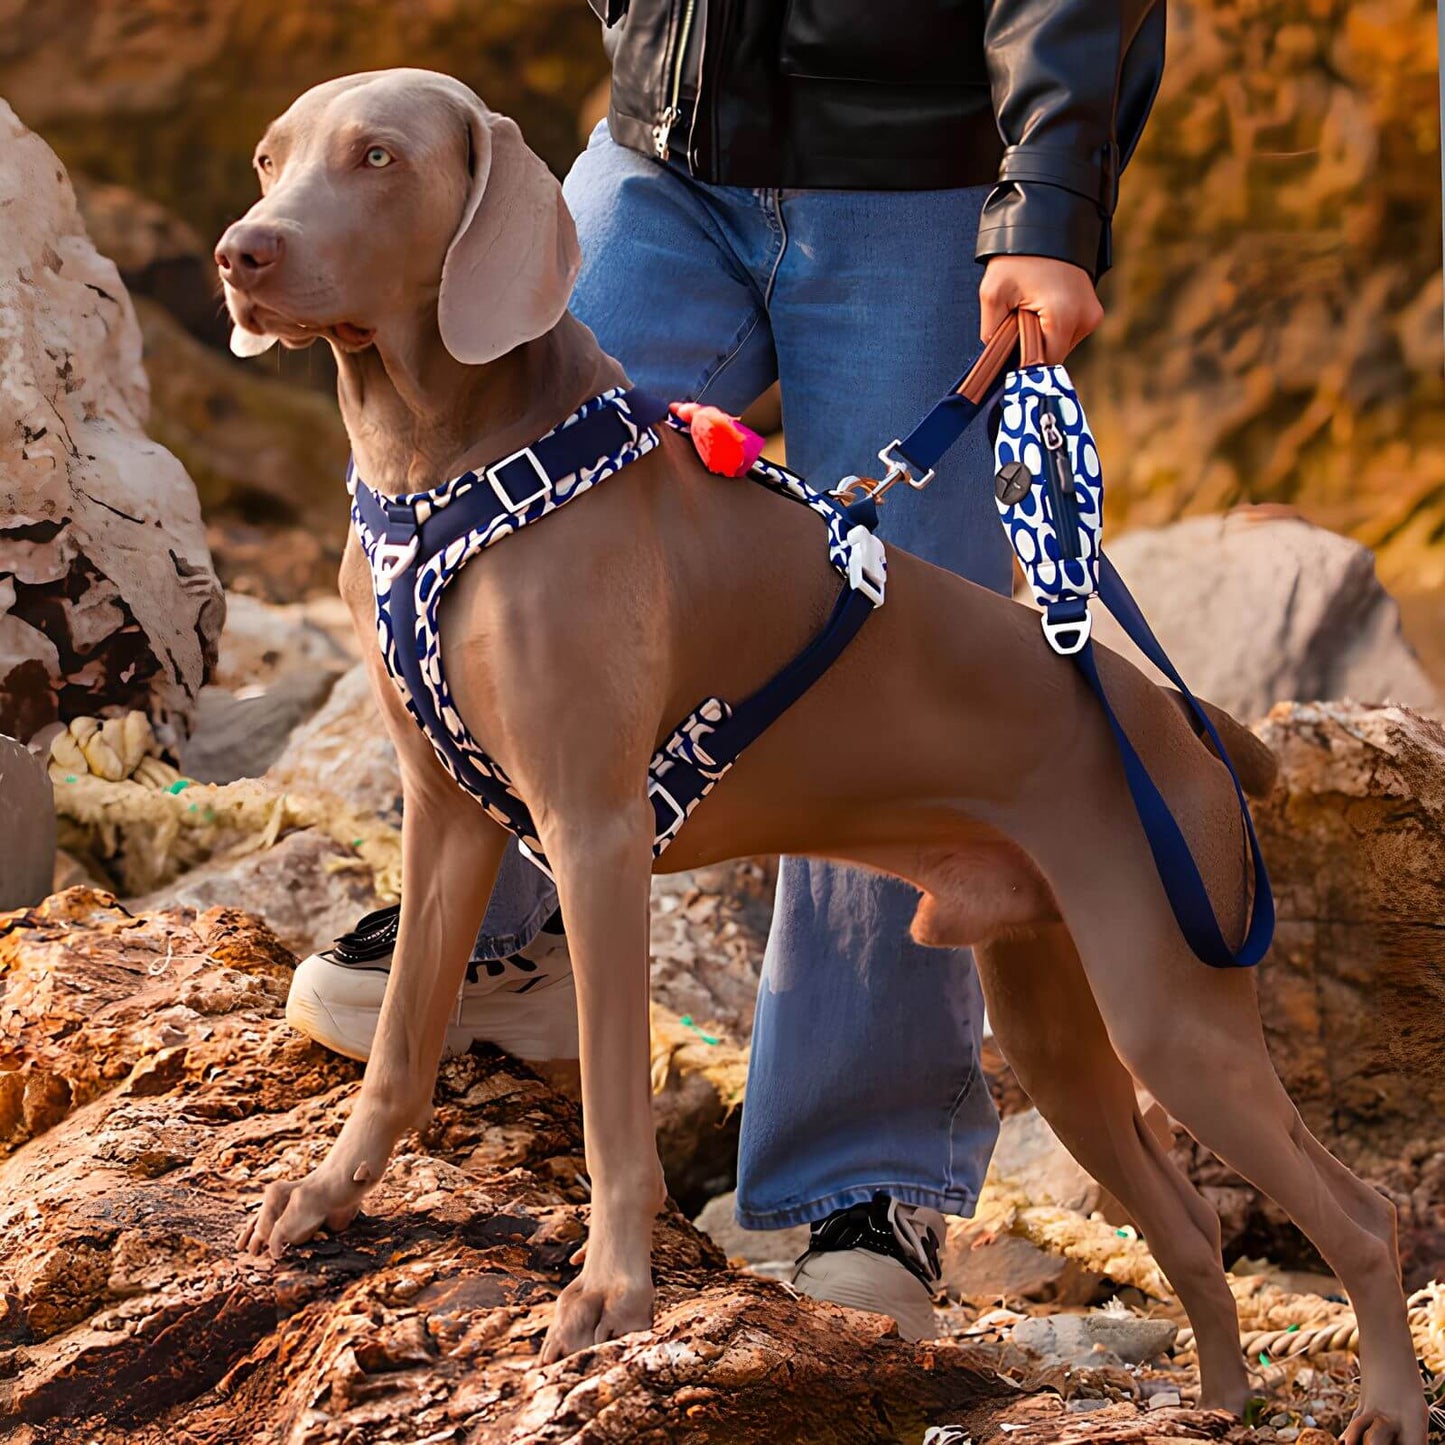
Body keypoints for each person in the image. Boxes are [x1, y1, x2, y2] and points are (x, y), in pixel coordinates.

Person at [286, 0, 1165, 1341]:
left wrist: (1046, 195)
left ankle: (858, 1181)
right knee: (490, 514)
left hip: (921, 179)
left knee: (878, 675)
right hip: (663, 156)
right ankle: (498, 949)